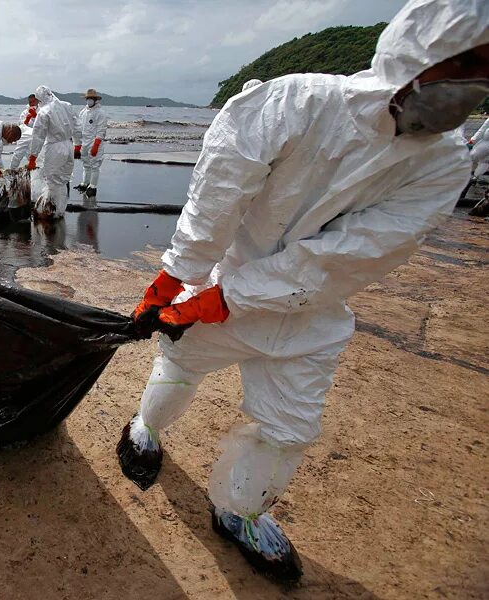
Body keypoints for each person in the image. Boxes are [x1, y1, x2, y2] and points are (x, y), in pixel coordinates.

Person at [116, 0, 488, 582]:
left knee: (289, 430)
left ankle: (238, 512)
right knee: (177, 368)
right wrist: (176, 277)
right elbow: (219, 194)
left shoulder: (442, 166)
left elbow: (353, 256)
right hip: (221, 293)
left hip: (309, 317)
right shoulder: (299, 103)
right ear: (422, 50)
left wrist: (222, 299)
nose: (471, 85)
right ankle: (147, 430)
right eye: (465, 62)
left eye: (485, 71)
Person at [26, 85, 78, 219]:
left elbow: (38, 136)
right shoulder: (67, 105)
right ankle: (60, 210)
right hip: (68, 145)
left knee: (51, 180)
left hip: (54, 147)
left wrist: (32, 157)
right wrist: (78, 144)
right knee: (62, 179)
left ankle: (49, 210)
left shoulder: (44, 112)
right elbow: (77, 125)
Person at [74, 89, 109, 198]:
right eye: (88, 98)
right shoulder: (83, 112)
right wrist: (77, 144)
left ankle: (93, 186)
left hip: (94, 143)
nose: (89, 100)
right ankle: (85, 183)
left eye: (91, 98)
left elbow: (101, 130)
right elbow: (78, 129)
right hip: (84, 142)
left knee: (95, 165)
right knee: (86, 164)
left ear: (95, 100)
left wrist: (96, 145)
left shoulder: (100, 113)